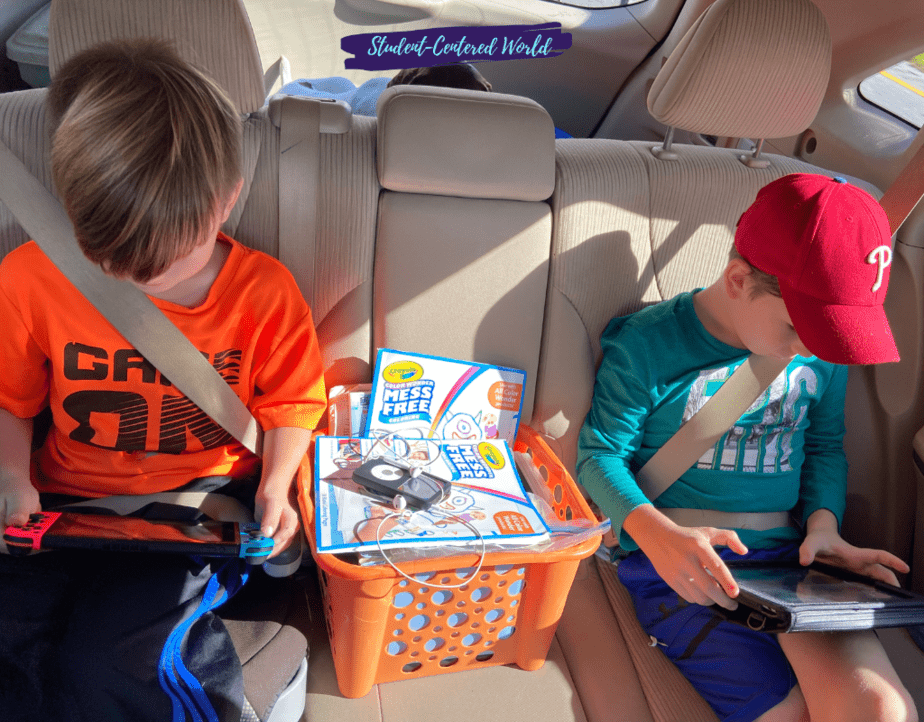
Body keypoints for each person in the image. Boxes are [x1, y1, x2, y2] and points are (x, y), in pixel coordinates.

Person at [0, 40, 326, 721]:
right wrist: (12, 474)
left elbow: (292, 400)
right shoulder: (31, 280)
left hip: (193, 513)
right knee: (15, 636)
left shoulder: (261, 294)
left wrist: (275, 487)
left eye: (172, 260)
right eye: (113, 263)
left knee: (120, 659)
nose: (145, 281)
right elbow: (10, 396)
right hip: (61, 504)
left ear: (226, 200)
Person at [577, 174, 918, 722]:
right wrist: (655, 535)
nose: (813, 346)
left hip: (790, 567)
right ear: (738, 280)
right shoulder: (647, 344)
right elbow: (599, 456)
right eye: (798, 327)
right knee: (788, 715)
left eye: (830, 332)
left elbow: (825, 446)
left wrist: (823, 528)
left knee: (881, 708)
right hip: (683, 561)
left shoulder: (819, 352)